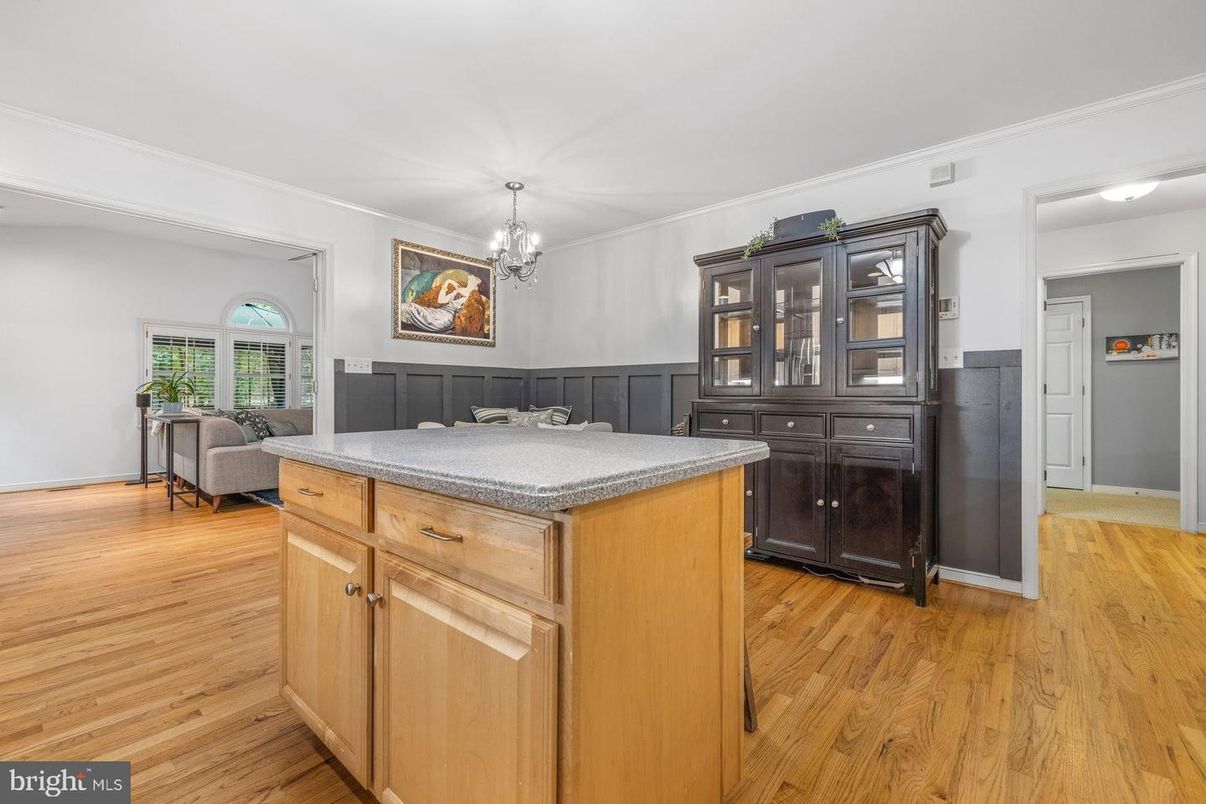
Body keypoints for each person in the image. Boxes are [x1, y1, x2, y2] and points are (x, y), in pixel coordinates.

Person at [397, 274, 482, 333]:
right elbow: (441, 300)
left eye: (473, 277)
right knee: (408, 308)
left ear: (476, 282)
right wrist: (447, 282)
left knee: (408, 309)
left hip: (443, 318)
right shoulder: (460, 289)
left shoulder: (473, 296)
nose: (470, 277)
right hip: (441, 314)